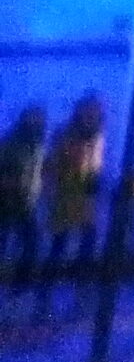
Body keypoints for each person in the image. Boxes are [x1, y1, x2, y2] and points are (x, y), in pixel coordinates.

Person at [36, 95, 104, 306]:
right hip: (66, 194)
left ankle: (81, 281)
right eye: (88, 111)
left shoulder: (97, 135)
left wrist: (95, 179)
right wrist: (50, 189)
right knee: (60, 242)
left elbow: (95, 164)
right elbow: (52, 163)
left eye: (95, 111)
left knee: (87, 239)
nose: (91, 115)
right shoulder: (65, 134)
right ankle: (47, 285)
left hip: (85, 196)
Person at [0, 108, 45, 293]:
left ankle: (21, 282)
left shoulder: (37, 145)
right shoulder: (12, 143)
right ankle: (19, 281)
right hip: (9, 200)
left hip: (26, 200)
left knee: (31, 241)